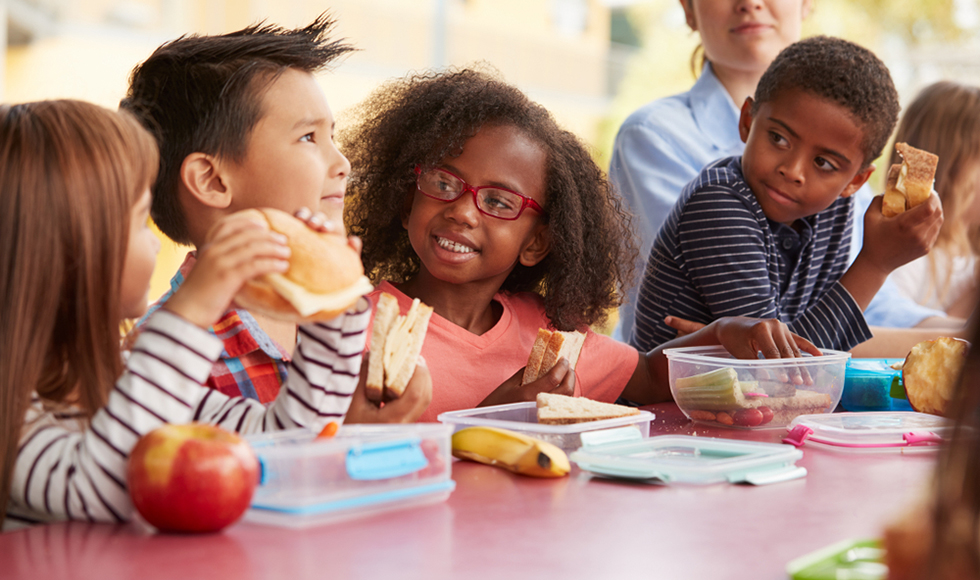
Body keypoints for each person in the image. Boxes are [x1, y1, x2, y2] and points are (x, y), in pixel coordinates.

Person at [342, 68, 819, 422]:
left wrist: (724, 332)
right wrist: (487, 420)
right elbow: (339, 459)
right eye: (444, 184)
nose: (463, 211)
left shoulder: (546, 332)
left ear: (537, 242)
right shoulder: (351, 332)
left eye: (499, 200)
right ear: (407, 202)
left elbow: (651, 377)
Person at [0, 100, 381, 530]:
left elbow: (289, 443)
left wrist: (333, 303)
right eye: (142, 220)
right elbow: (97, 490)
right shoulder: (13, 408)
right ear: (69, 249)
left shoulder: (123, 378)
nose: (157, 244)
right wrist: (192, 310)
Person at [120, 15, 429, 420]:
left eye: (332, 136)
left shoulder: (344, 318)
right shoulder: (160, 366)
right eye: (308, 137)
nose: (342, 163)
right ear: (213, 180)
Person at [610, 0, 956, 345]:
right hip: (674, 399)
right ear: (746, 122)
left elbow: (805, 343)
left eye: (823, 163)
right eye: (778, 139)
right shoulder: (717, 202)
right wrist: (875, 264)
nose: (792, 171)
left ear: (854, 182)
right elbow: (782, 365)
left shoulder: (833, 206)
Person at [888, 81, 980, 320]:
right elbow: (893, 332)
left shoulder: (970, 255)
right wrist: (973, 294)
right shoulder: (907, 252)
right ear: (952, 168)